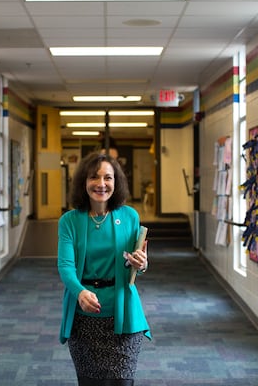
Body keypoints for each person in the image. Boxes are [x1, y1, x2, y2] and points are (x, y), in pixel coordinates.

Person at [58, 152, 151, 386]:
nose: (101, 184)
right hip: (85, 316)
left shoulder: (129, 216)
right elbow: (66, 266)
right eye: (94, 178)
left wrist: (141, 264)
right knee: (90, 382)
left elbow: (132, 264)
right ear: (84, 182)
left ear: (116, 182)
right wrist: (79, 292)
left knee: (122, 381)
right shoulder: (69, 221)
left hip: (123, 314)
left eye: (108, 178)